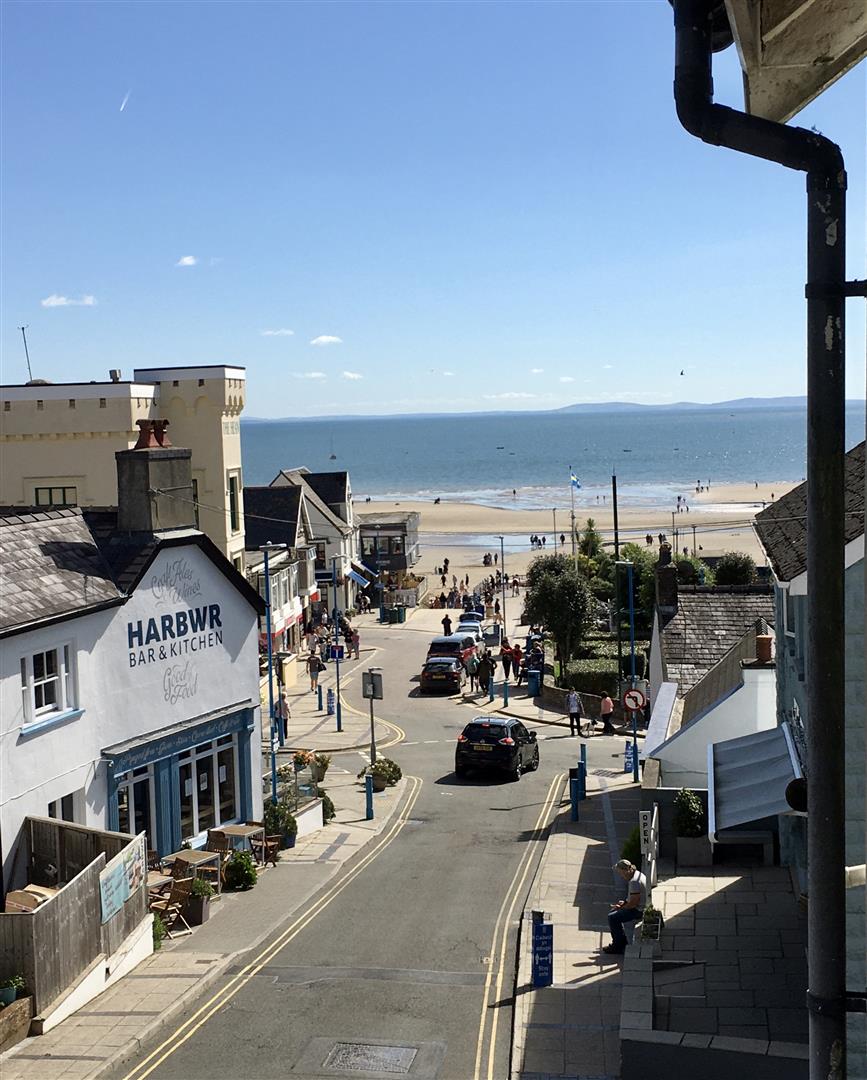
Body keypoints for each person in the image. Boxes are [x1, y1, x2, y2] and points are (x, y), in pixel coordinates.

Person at [603, 859, 647, 954]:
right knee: (613, 913)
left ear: (625, 871)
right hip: (640, 906)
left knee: (612, 917)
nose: (621, 876)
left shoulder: (634, 882)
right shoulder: (637, 874)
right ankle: (621, 941)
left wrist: (622, 907)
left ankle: (618, 945)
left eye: (621, 873)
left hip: (638, 910)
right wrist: (623, 903)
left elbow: (634, 904)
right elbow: (632, 899)